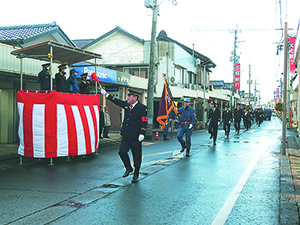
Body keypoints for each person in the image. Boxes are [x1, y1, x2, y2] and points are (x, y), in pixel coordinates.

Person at [100, 87, 147, 183]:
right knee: (122, 152)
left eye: (130, 96)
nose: (128, 98)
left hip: (135, 136)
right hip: (126, 134)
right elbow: (117, 101)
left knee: (136, 155)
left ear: (135, 98)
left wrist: (142, 133)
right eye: (128, 96)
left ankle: (136, 174)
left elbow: (144, 121)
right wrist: (106, 94)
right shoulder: (127, 105)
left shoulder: (142, 108)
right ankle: (128, 167)